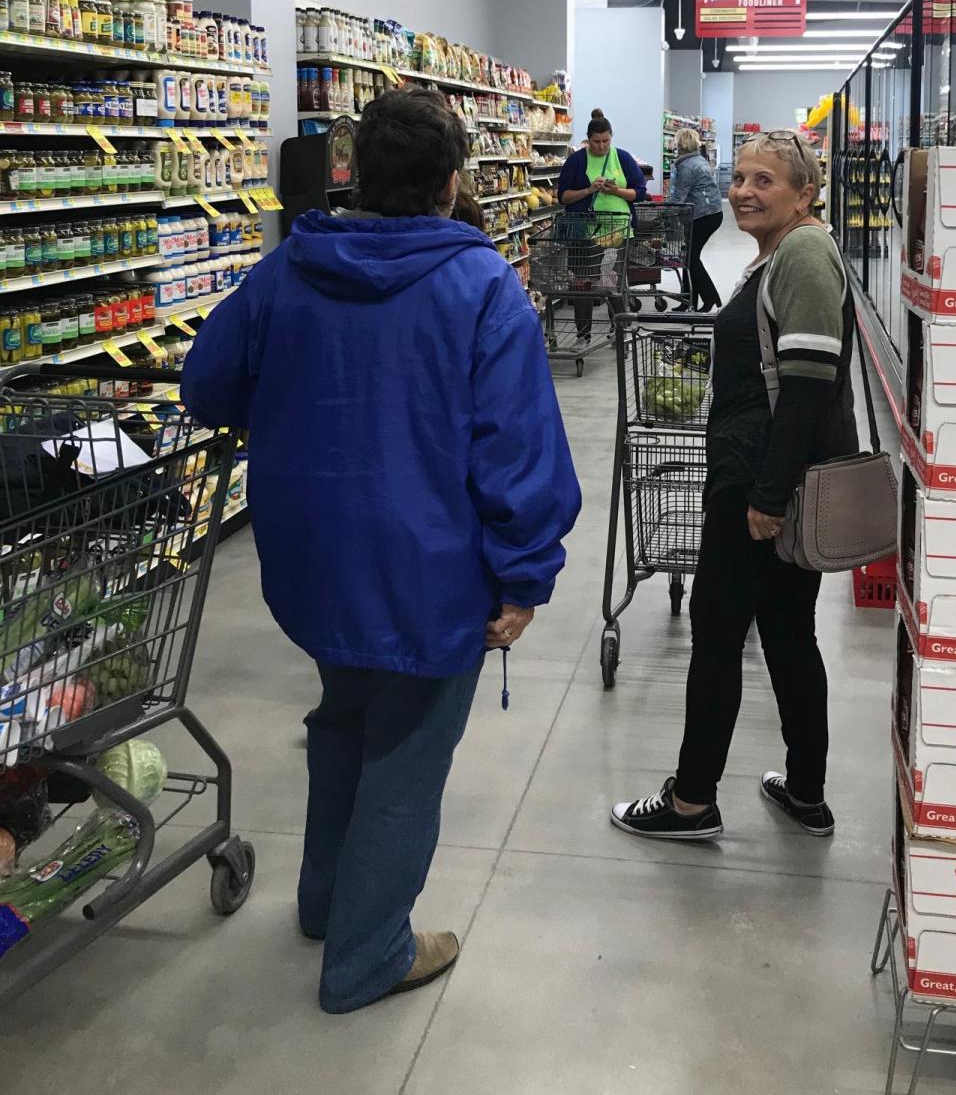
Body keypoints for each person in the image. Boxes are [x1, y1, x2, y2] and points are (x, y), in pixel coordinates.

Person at [181, 88, 581, 1014]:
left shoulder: (286, 272)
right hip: (428, 569)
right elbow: (516, 450)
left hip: (312, 556)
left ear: (352, 173)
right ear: (451, 185)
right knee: (407, 750)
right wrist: (524, 575)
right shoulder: (481, 287)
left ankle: (325, 902)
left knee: (344, 721)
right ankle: (368, 956)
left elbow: (208, 384)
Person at [609, 132, 856, 842]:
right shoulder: (781, 253)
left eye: (765, 181)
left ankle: (691, 802)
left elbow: (809, 385)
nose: (743, 191)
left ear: (804, 192)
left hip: (761, 483)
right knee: (785, 632)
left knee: (718, 635)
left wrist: (768, 498)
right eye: (739, 177)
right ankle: (805, 791)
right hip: (770, 476)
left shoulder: (806, 253)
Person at [555, 109, 648, 349]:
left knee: (614, 285)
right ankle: (582, 334)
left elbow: (639, 192)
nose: (601, 146)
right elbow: (563, 197)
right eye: (596, 142)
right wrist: (588, 190)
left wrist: (615, 191)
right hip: (585, 234)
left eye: (606, 141)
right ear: (588, 139)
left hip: (619, 232)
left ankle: (620, 332)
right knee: (583, 284)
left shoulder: (623, 158)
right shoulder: (576, 161)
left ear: (611, 137)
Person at [668, 128, 725, 312]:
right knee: (689, 257)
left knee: (691, 259)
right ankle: (689, 301)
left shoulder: (686, 166)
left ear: (680, 145)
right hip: (711, 212)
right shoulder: (700, 160)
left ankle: (709, 299)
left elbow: (679, 196)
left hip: (702, 215)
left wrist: (662, 212)